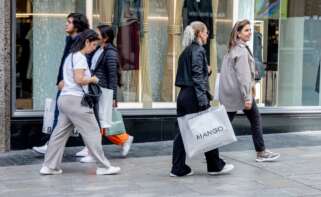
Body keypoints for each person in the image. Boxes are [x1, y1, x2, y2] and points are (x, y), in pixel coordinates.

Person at [40, 29, 121, 175]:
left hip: (65, 99)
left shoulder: (70, 57)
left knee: (59, 134)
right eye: (93, 44)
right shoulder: (80, 58)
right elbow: (79, 79)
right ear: (87, 42)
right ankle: (104, 166)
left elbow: (64, 82)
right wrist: (93, 79)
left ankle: (49, 166)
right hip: (76, 101)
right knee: (94, 132)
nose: (94, 48)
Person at [170, 21, 234, 177]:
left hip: (183, 95)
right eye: (206, 32)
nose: (207, 35)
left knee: (182, 132)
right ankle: (214, 166)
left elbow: (193, 73)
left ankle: (178, 168)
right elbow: (197, 77)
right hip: (194, 96)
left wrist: (207, 70)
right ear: (199, 33)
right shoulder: (198, 51)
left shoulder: (186, 51)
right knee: (208, 128)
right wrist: (203, 101)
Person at [219, 19, 280, 162]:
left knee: (225, 124)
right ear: (238, 34)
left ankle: (209, 151)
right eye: (246, 30)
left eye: (250, 30)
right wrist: (247, 97)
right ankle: (261, 152)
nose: (250, 33)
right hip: (240, 95)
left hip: (230, 94)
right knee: (253, 119)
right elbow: (244, 77)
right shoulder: (241, 51)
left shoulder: (232, 49)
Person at [33, 13, 90, 154]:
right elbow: (64, 62)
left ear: (77, 25)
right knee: (63, 118)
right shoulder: (70, 39)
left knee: (82, 120)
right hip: (66, 85)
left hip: (72, 87)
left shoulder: (81, 42)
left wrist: (66, 80)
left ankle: (92, 149)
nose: (66, 24)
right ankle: (52, 147)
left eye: (69, 22)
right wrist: (59, 79)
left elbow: (81, 64)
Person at [77, 24, 134, 163]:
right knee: (98, 123)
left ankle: (122, 140)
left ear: (106, 37)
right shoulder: (98, 49)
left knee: (100, 123)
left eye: (97, 34)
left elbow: (113, 77)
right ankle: (92, 148)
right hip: (95, 90)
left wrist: (113, 97)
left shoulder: (110, 53)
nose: (94, 36)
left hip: (103, 92)